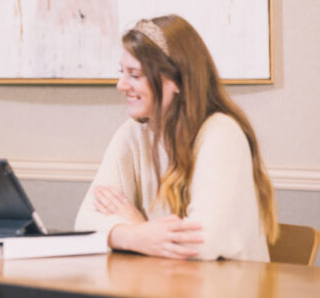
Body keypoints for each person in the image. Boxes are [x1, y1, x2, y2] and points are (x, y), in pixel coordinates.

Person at [74, 15, 277, 261]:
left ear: (178, 80)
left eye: (135, 75)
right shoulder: (132, 133)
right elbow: (84, 221)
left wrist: (134, 223)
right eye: (122, 72)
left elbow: (200, 245)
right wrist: (138, 234)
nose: (121, 85)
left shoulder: (222, 134)